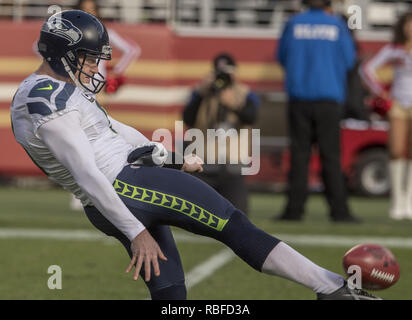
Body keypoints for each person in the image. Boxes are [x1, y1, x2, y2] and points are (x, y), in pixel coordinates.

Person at [10, 9, 380, 300]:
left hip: (117, 194)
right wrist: (137, 231)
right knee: (235, 226)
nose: (94, 66)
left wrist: (169, 157)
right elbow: (88, 173)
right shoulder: (48, 103)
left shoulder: (50, 88)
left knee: (170, 291)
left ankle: (332, 290)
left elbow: (112, 130)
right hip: (123, 188)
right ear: (63, 54)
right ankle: (332, 288)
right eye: (88, 58)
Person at [275, 0, 360, 222]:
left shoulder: (293, 23)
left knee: (299, 156)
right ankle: (339, 211)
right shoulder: (337, 25)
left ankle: (294, 210)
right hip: (329, 99)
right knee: (331, 156)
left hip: (299, 98)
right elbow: (350, 60)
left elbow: (282, 57)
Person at [69, 0, 141, 210]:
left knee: (94, 138)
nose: (88, 14)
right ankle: (84, 189)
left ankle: (92, 188)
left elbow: (132, 49)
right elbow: (41, 48)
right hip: (75, 89)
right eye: (84, 11)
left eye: (92, 11)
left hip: (94, 93)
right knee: (79, 140)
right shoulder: (70, 34)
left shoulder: (103, 32)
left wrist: (116, 72)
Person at [182, 53, 260, 215]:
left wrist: (234, 105)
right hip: (203, 164)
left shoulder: (245, 94)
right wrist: (201, 93)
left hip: (232, 166)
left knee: (238, 215)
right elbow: (188, 119)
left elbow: (251, 117)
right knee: (194, 215)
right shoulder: (201, 94)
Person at [360, 12, 412, 220]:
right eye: (408, 24)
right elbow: (366, 69)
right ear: (402, 27)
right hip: (398, 105)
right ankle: (397, 203)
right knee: (397, 150)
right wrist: (381, 92)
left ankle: (409, 201)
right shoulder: (394, 49)